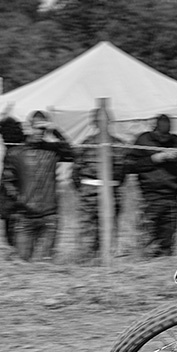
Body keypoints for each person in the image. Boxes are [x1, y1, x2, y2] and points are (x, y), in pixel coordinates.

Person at [0, 110, 74, 261]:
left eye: (43, 129)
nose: (40, 132)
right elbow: (8, 181)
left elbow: (72, 154)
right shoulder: (15, 152)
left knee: (43, 265)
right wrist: (20, 200)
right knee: (21, 262)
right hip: (24, 216)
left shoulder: (52, 150)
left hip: (49, 216)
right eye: (37, 128)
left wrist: (56, 131)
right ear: (29, 127)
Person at [127, 114, 177, 257]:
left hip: (171, 197)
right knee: (146, 240)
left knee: (167, 242)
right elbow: (130, 166)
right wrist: (154, 159)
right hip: (148, 197)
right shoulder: (143, 140)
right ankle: (144, 264)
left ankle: (164, 263)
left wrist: (173, 160)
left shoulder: (176, 141)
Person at [73, 109, 130, 261]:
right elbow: (76, 173)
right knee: (88, 233)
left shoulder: (119, 145)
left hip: (111, 190)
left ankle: (104, 262)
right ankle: (87, 263)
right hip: (90, 192)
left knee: (108, 232)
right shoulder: (86, 145)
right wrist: (86, 189)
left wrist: (112, 186)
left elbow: (123, 172)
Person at [0, 115, 28, 248]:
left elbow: (9, 179)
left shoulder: (15, 150)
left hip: (16, 205)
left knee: (15, 241)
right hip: (11, 203)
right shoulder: (11, 149)